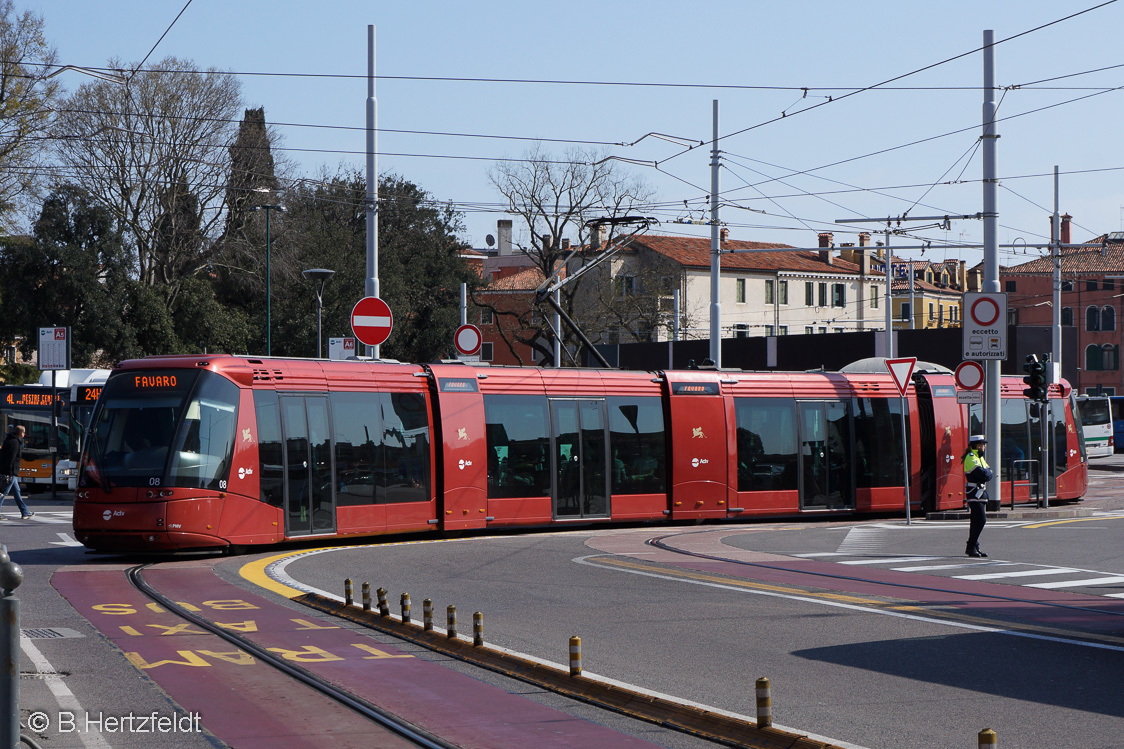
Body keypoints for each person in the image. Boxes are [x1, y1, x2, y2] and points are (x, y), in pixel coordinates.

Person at [962, 434, 993, 558]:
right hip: (974, 492)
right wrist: (987, 473)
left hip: (980, 492)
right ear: (977, 445)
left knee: (976, 521)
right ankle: (971, 545)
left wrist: (987, 473)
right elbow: (983, 474)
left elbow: (989, 474)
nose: (984, 447)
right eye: (982, 445)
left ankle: (973, 546)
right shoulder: (970, 457)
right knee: (981, 520)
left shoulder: (979, 457)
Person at [0, 425, 34, 519]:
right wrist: (10, 473)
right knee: (3, 493)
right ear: (20, 433)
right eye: (23, 433)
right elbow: (11, 459)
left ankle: (25, 511)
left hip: (11, 472)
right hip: (10, 472)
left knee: (17, 492)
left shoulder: (9, 440)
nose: (24, 434)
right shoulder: (15, 443)